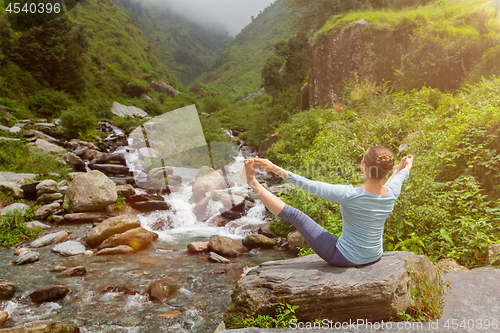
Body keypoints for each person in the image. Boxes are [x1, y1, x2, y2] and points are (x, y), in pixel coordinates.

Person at [242, 146, 413, 267]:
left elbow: (307, 184)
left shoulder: (350, 194)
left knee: (297, 216)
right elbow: (400, 176)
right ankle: (252, 181)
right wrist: (401, 167)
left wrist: (273, 168)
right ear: (386, 170)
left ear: (364, 166)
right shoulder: (391, 193)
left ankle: (251, 181)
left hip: (344, 258)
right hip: (374, 256)